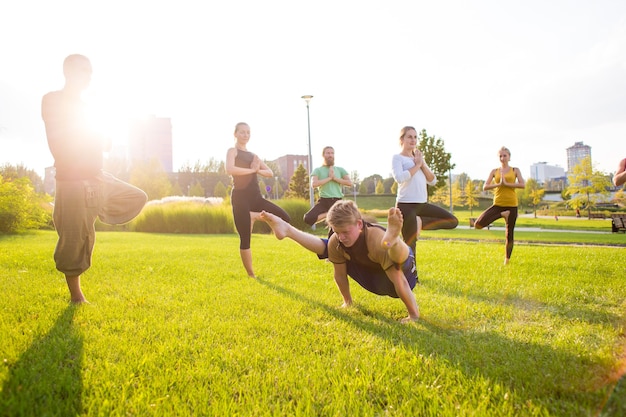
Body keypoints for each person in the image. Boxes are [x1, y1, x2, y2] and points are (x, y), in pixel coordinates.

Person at [41, 54, 148, 303]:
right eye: (83, 70)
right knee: (74, 239)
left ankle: (93, 209)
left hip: (98, 178)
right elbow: (64, 135)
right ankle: (76, 296)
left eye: (90, 71)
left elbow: (106, 143)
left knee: (137, 196)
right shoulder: (52, 100)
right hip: (72, 180)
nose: (88, 76)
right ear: (68, 71)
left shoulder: (90, 108)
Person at [259, 200, 420, 323]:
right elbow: (340, 275)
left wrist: (413, 315)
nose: (341, 236)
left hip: (403, 273)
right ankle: (288, 230)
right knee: (331, 246)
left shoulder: (374, 238)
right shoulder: (338, 240)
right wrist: (347, 302)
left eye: (345, 231)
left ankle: (394, 240)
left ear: (359, 224)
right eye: (337, 232)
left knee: (395, 254)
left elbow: (400, 280)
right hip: (373, 275)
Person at [226, 122, 291, 278]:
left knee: (285, 218)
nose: (246, 135)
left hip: (256, 197)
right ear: (235, 134)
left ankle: (254, 216)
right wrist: (252, 170)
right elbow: (230, 169)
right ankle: (251, 275)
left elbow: (269, 172)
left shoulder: (253, 156)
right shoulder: (232, 151)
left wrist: (257, 170)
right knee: (245, 238)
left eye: (248, 132)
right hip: (240, 198)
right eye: (242, 132)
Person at [392, 126, 458, 256]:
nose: (413, 140)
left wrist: (421, 164)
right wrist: (417, 166)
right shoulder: (397, 158)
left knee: (452, 221)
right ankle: (412, 277)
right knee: (410, 246)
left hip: (422, 205)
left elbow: (432, 180)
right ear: (402, 139)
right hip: (406, 205)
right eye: (409, 137)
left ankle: (420, 222)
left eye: (415, 137)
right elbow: (399, 178)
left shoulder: (419, 158)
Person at [473, 146, 526, 265]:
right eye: (500, 156)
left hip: (511, 205)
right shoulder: (494, 171)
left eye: (505, 155)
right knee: (478, 224)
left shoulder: (515, 170)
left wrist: (507, 183)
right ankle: (503, 214)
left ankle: (507, 260)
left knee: (509, 233)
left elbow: (522, 185)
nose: (502, 158)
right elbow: (485, 186)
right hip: (498, 204)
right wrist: (498, 185)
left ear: (509, 157)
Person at [303, 146, 352, 227]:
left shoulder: (340, 170)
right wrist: (329, 178)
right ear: (323, 155)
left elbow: (349, 183)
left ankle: (331, 215)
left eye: (332, 153)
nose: (330, 155)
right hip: (323, 201)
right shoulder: (317, 170)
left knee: (336, 228)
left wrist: (335, 178)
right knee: (308, 218)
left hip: (337, 201)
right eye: (328, 153)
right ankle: (329, 214)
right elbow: (314, 184)